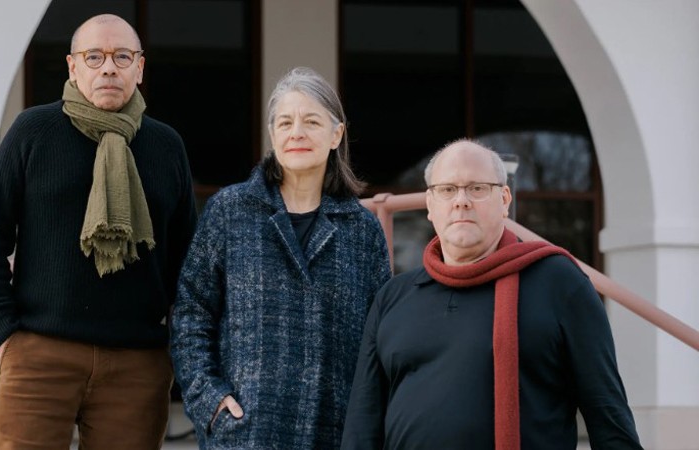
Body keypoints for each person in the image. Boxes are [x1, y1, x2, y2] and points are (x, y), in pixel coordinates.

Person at [0, 14, 197, 449]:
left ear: (140, 67)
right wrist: (3, 333)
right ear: (73, 67)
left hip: (137, 363)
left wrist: (175, 347)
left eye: (121, 56)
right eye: (95, 56)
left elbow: (187, 261)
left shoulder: (166, 146)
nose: (108, 67)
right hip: (38, 354)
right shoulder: (33, 131)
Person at [342, 139, 642, 450]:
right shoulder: (394, 297)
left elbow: (608, 416)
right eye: (447, 189)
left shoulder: (559, 283)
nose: (461, 201)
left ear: (504, 199)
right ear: (430, 205)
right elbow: (362, 426)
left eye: (477, 188)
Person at [170, 67, 392, 449]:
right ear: (272, 134)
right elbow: (191, 313)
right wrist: (211, 402)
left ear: (336, 133)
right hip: (245, 433)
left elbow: (380, 339)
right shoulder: (231, 211)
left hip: (335, 434)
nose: (297, 133)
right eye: (285, 122)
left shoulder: (362, 230)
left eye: (311, 121)